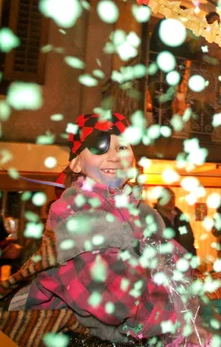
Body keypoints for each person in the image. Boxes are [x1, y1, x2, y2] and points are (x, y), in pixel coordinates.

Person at [0, 113, 208, 346]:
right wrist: (180, 321)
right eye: (99, 146)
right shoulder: (74, 209)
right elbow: (114, 299)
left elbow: (177, 270)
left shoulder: (144, 214)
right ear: (77, 163)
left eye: (123, 147)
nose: (114, 157)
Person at [155, 187, 196, 255]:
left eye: (173, 198)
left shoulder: (181, 218)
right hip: (164, 262)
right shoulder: (154, 218)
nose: (171, 201)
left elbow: (190, 241)